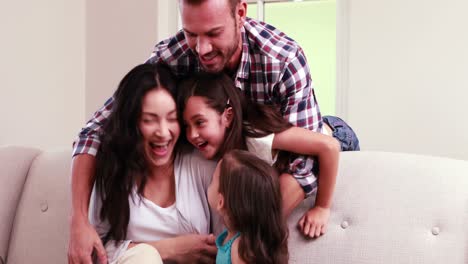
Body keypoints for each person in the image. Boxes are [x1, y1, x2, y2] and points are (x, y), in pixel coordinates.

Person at [69, 0, 324, 262]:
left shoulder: (281, 59)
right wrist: (78, 220)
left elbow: (305, 167)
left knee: (327, 133)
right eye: (191, 34)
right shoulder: (172, 56)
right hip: (237, 146)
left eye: (213, 33)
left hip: (269, 134)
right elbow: (94, 132)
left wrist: (250, 230)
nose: (202, 49)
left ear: (240, 13)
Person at [178, 73, 360, 238]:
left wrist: (322, 207)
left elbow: (329, 146)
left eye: (200, 122)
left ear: (228, 116)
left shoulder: (257, 137)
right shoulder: (224, 150)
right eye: (187, 126)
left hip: (337, 134)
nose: (192, 134)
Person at [81, 63, 220, 263]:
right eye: (149, 120)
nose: (163, 132)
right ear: (131, 123)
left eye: (172, 119)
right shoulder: (112, 171)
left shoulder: (202, 167)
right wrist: (170, 249)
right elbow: (98, 250)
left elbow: (227, 243)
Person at [209, 150, 288, 264]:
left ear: (221, 202)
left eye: (212, 180)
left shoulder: (240, 251)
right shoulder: (234, 236)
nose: (209, 184)